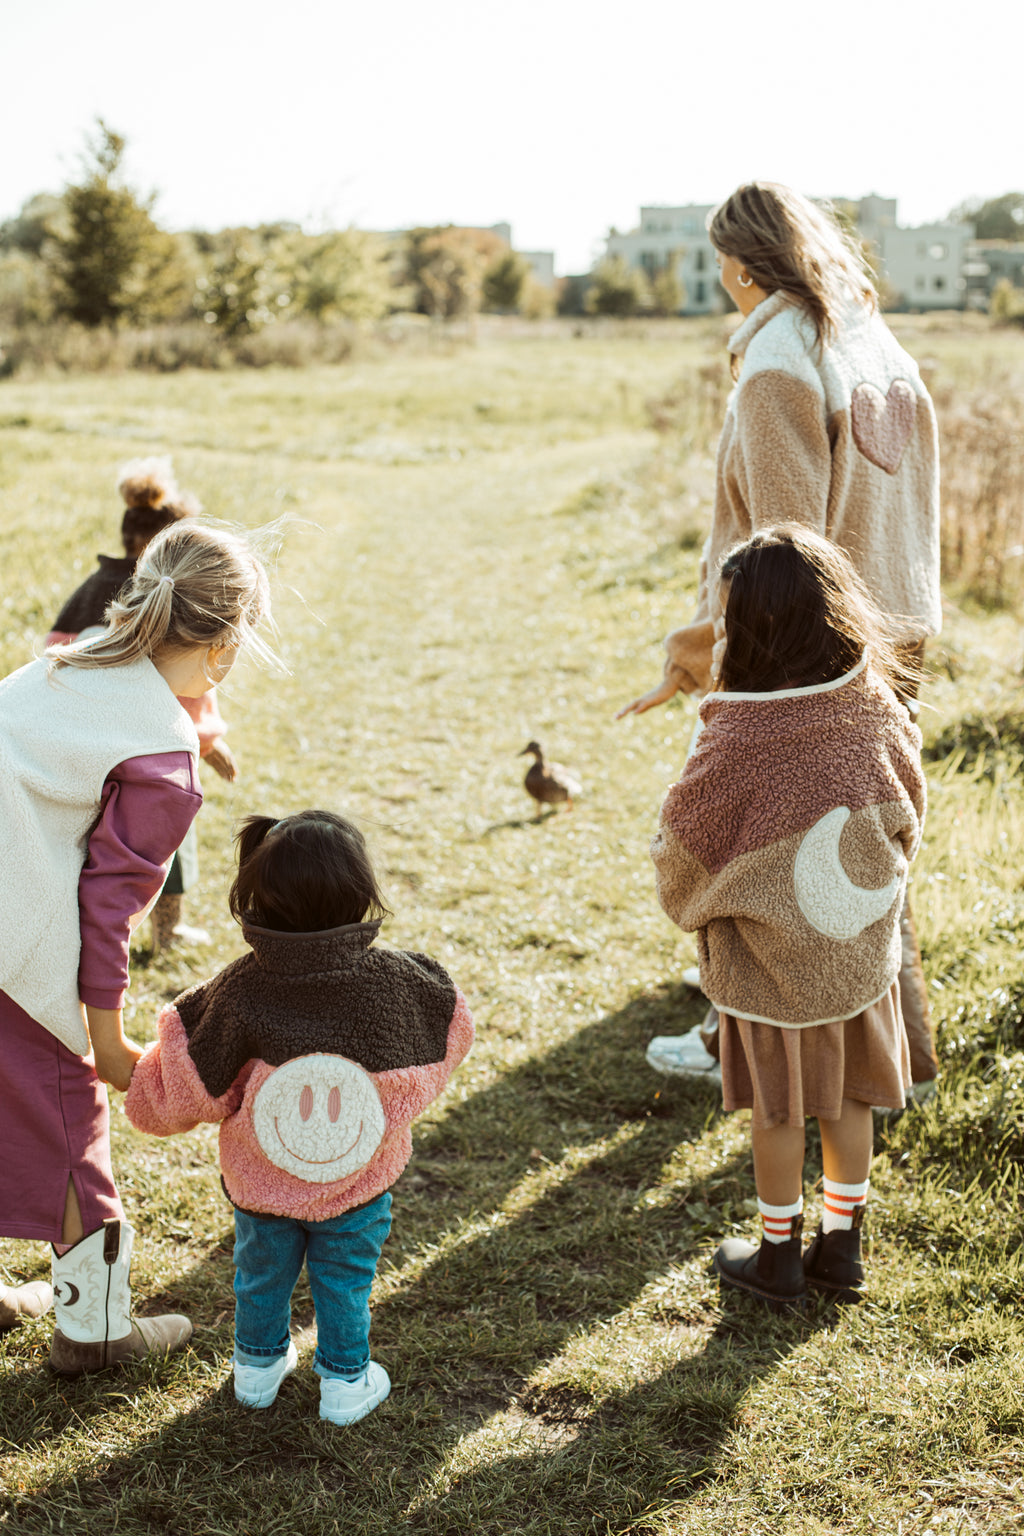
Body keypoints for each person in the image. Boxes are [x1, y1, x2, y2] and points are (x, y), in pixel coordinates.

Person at [619, 181, 940, 1090]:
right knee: (866, 842)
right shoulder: (873, 342)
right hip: (896, 623)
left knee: (761, 842)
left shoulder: (776, 364)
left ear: (740, 264)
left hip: (809, 642)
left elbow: (785, 548)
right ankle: (891, 1056)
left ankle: (751, 1041)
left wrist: (733, 651)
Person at [0, 520, 272, 1372]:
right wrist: (106, 1039)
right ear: (223, 649)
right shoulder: (160, 751)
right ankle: (97, 1332)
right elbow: (105, 913)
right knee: (73, 1133)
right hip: (14, 951)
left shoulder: (63, 664)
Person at [125, 810, 474, 1426]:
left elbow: (184, 1083)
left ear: (256, 898)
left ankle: (255, 1371)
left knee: (259, 1276)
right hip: (358, 1186)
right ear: (361, 893)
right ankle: (345, 1384)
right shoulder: (401, 984)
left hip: (261, 1186)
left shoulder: (236, 991)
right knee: (345, 1283)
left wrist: (122, 1068)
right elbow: (450, 1034)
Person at [650, 526, 925, 1308]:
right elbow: (910, 811)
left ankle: (778, 1256)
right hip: (856, 960)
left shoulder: (736, 732)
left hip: (769, 968)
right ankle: (844, 1248)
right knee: (848, 1100)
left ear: (762, 632)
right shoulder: (873, 705)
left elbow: (685, 846)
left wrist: (695, 898)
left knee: (777, 1108)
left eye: (732, 622)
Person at [46, 457, 238, 953]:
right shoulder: (165, 598)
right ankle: (157, 933)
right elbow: (186, 687)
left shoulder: (94, 589)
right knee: (166, 841)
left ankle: (110, 933)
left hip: (86, 745)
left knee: (99, 844)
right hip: (152, 748)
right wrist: (207, 742)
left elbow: (54, 653)